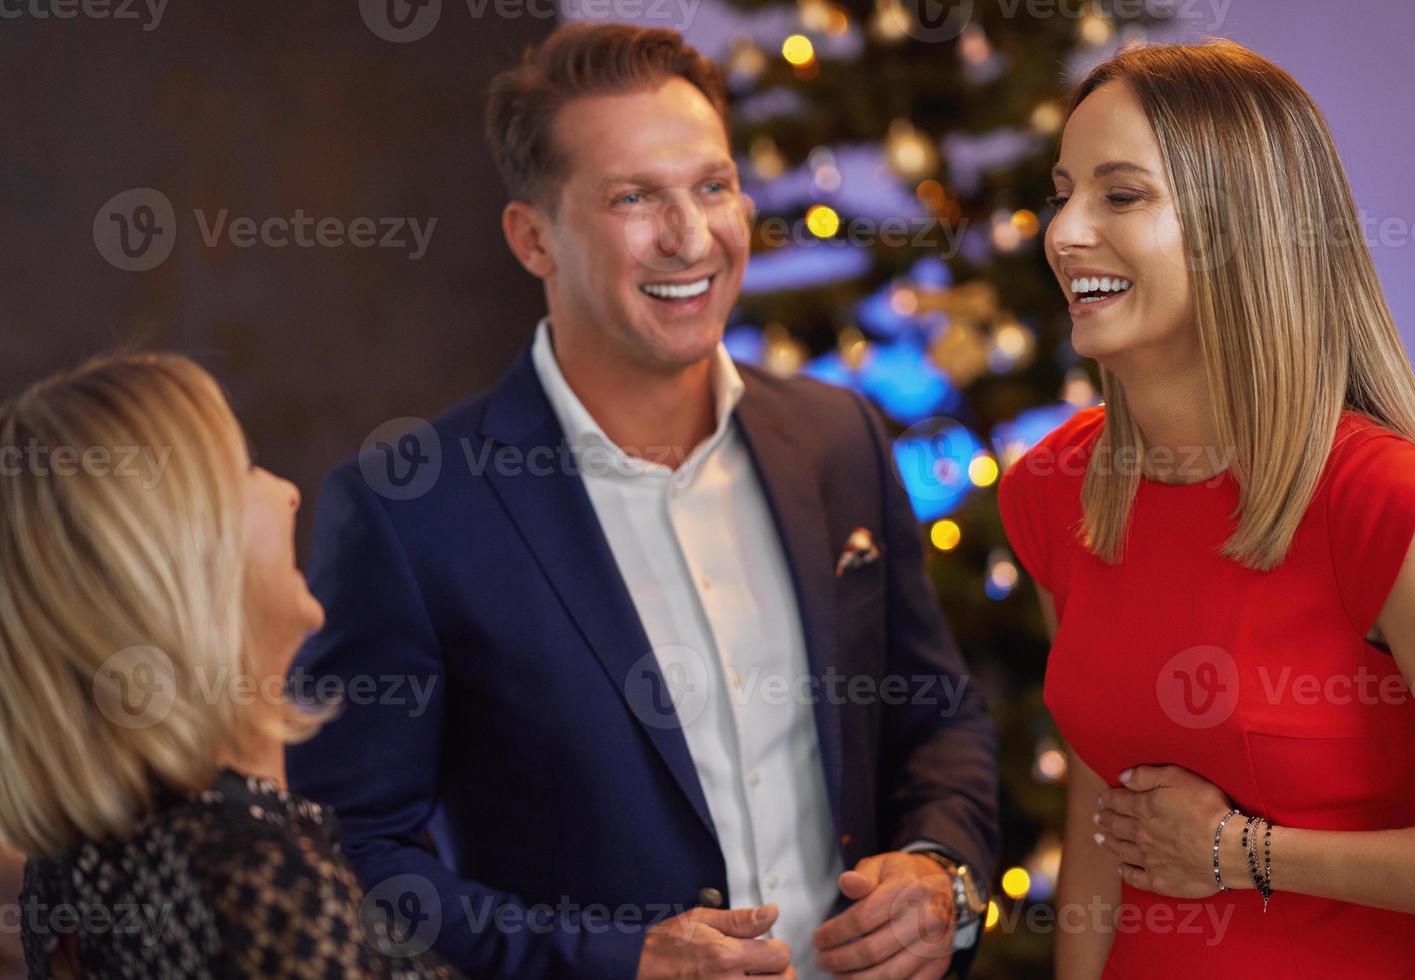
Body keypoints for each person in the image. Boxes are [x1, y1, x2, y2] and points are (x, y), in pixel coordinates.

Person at [285, 21, 999, 980]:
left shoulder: (841, 439)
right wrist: (611, 959)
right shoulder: (409, 511)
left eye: (713, 186)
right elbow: (351, 860)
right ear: (532, 238)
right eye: (633, 198)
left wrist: (940, 871)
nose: (691, 237)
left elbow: (935, 714)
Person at [999, 39, 1415, 978]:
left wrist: (1244, 854)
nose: (1063, 232)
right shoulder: (1055, 489)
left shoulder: (1372, 497)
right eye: (1064, 192)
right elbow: (1105, 810)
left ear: (1245, 226)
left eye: (1120, 196)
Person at [0, 353, 463, 979]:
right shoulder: (251, 878)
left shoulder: (94, 862)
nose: (288, 492)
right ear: (172, 561)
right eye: (243, 471)